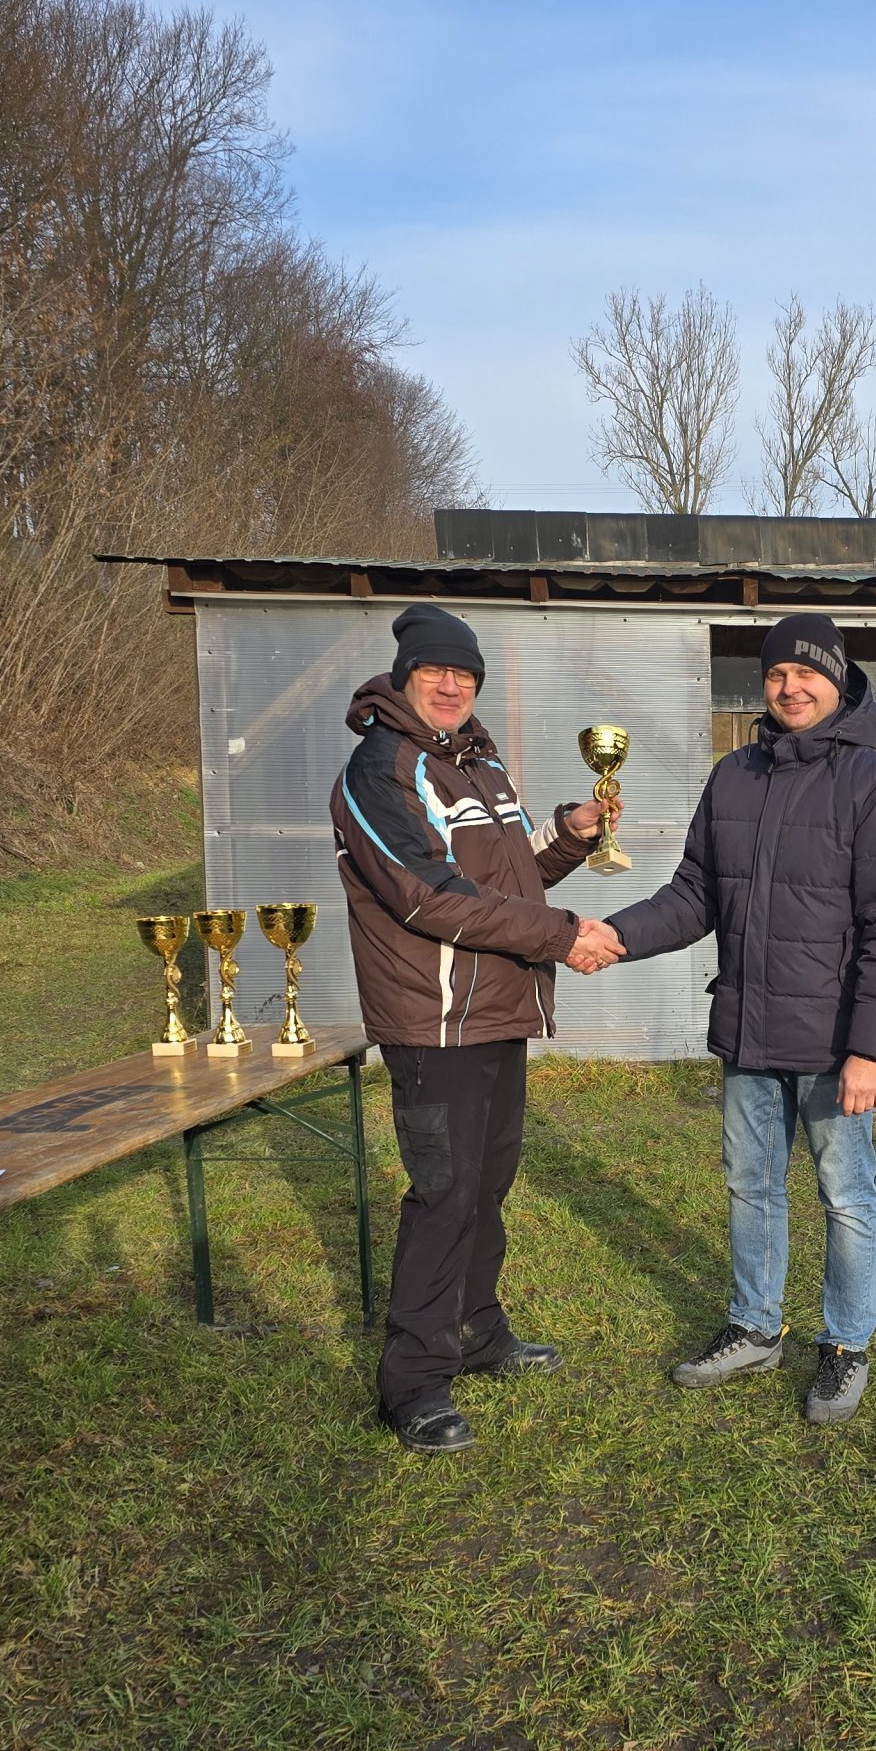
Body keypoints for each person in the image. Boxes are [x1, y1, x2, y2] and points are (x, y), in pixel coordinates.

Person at [571, 613, 876, 1425]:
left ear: (838, 681)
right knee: (751, 1186)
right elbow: (696, 892)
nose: (790, 687)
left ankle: (845, 1344)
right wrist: (617, 935)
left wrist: (871, 1050)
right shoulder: (734, 776)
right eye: (776, 674)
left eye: (807, 673)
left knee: (846, 1194)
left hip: (836, 1042)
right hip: (748, 1028)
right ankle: (755, 1326)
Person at [330, 605, 622, 1454]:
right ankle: (414, 1383)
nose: (452, 685)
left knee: (487, 1184)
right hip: (433, 1021)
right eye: (436, 671)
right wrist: (564, 936)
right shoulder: (381, 768)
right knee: (444, 1193)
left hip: (496, 1008)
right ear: (404, 678)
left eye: (466, 674)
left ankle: (476, 1329)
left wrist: (569, 837)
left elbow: (510, 877)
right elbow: (427, 894)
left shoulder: (479, 763)